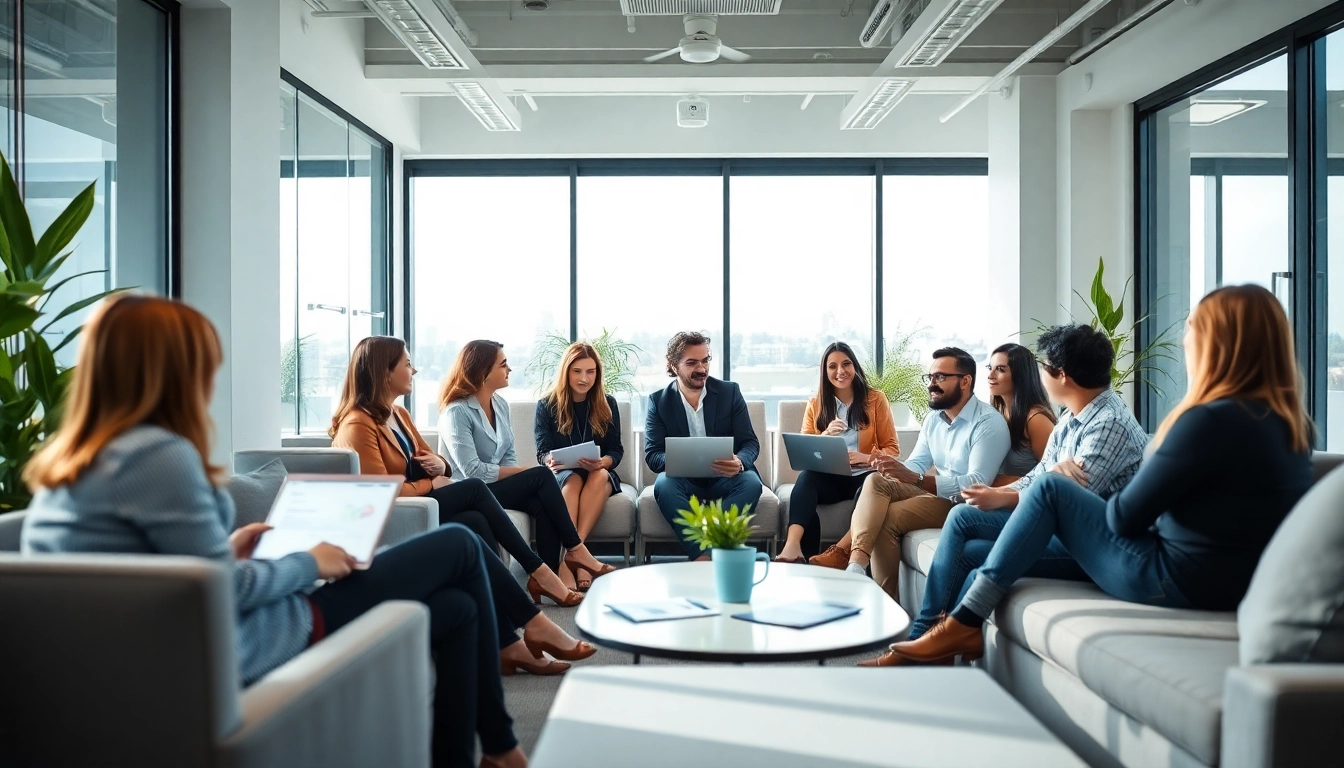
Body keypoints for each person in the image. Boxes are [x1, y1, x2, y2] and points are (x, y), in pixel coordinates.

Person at [19, 296, 527, 768]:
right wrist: (312, 561)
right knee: (459, 544)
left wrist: (228, 550)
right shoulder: (157, 456)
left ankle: (480, 754)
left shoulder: (72, 466)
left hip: (182, 649)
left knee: (459, 612)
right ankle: (505, 746)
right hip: (257, 640)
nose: (210, 377)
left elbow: (150, 581)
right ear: (172, 370)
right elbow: (224, 591)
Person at [859, 322, 1159, 667]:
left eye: (1045, 367)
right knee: (968, 552)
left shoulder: (1108, 424)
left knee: (960, 520)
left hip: (1091, 544)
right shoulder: (1072, 419)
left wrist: (1030, 487)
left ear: (1061, 376)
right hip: (1063, 533)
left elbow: (1064, 500)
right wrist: (998, 495)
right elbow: (1041, 476)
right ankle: (937, 643)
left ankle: (924, 639)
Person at [331, 336, 596, 674]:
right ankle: (539, 579)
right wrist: (431, 481)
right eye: (407, 364)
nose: (414, 369)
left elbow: (433, 460)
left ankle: (508, 643)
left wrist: (439, 468)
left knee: (475, 520)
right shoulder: (358, 424)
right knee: (473, 489)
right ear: (385, 372)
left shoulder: (397, 414)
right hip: (399, 517)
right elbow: (381, 491)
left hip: (425, 502)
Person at [810, 347, 1011, 602]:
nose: (932, 385)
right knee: (875, 479)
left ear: (965, 381)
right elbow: (917, 463)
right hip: (937, 495)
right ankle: (857, 567)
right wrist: (894, 469)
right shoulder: (934, 419)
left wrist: (916, 479)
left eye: (940, 377)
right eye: (930, 378)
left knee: (888, 517)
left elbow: (976, 484)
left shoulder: (988, 423)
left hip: (967, 506)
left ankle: (884, 600)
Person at [438, 340, 615, 602]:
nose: (509, 369)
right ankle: (576, 551)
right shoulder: (457, 412)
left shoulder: (499, 404)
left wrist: (518, 472)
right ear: (483, 371)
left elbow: (507, 454)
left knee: (542, 502)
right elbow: (472, 471)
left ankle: (547, 577)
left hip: (493, 487)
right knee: (543, 476)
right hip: (471, 490)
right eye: (503, 364)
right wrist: (524, 472)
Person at [774, 342, 899, 564]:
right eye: (832, 366)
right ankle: (793, 548)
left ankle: (841, 554)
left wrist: (866, 457)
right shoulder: (816, 403)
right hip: (832, 476)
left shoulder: (875, 399)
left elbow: (893, 449)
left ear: (855, 367)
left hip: (865, 475)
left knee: (872, 487)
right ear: (825, 371)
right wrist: (825, 436)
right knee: (806, 480)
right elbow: (805, 450)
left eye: (846, 364)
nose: (840, 371)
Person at [645, 331, 764, 561]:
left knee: (751, 482)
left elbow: (750, 443)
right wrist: (680, 460)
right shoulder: (659, 401)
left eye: (705, 360)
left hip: (725, 477)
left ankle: (705, 553)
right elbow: (652, 455)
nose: (702, 368)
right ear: (673, 365)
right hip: (684, 480)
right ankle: (705, 555)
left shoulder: (730, 392)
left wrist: (739, 462)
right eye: (692, 362)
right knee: (663, 485)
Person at [534, 342, 624, 591]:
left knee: (598, 474)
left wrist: (603, 461)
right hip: (565, 473)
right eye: (577, 371)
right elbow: (542, 452)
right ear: (566, 372)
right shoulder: (547, 405)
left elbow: (616, 451)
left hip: (598, 471)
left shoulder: (607, 403)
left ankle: (571, 556)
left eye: (590, 371)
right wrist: (549, 461)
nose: (584, 378)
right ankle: (579, 558)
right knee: (572, 480)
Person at [986, 343, 1057, 485]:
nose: (990, 375)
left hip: (1024, 500)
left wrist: (1009, 482)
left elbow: (1055, 478)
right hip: (994, 496)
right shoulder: (997, 413)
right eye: (990, 368)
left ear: (1020, 375)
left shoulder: (1036, 419)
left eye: (1000, 369)